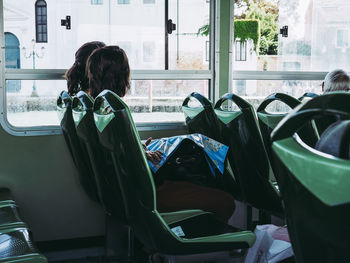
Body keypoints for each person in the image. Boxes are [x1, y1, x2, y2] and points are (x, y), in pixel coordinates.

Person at [86, 45, 236, 223]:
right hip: (146, 190)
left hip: (128, 186)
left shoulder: (99, 108)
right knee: (225, 201)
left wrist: (140, 148)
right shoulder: (115, 110)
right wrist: (141, 154)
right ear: (122, 75)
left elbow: (114, 150)